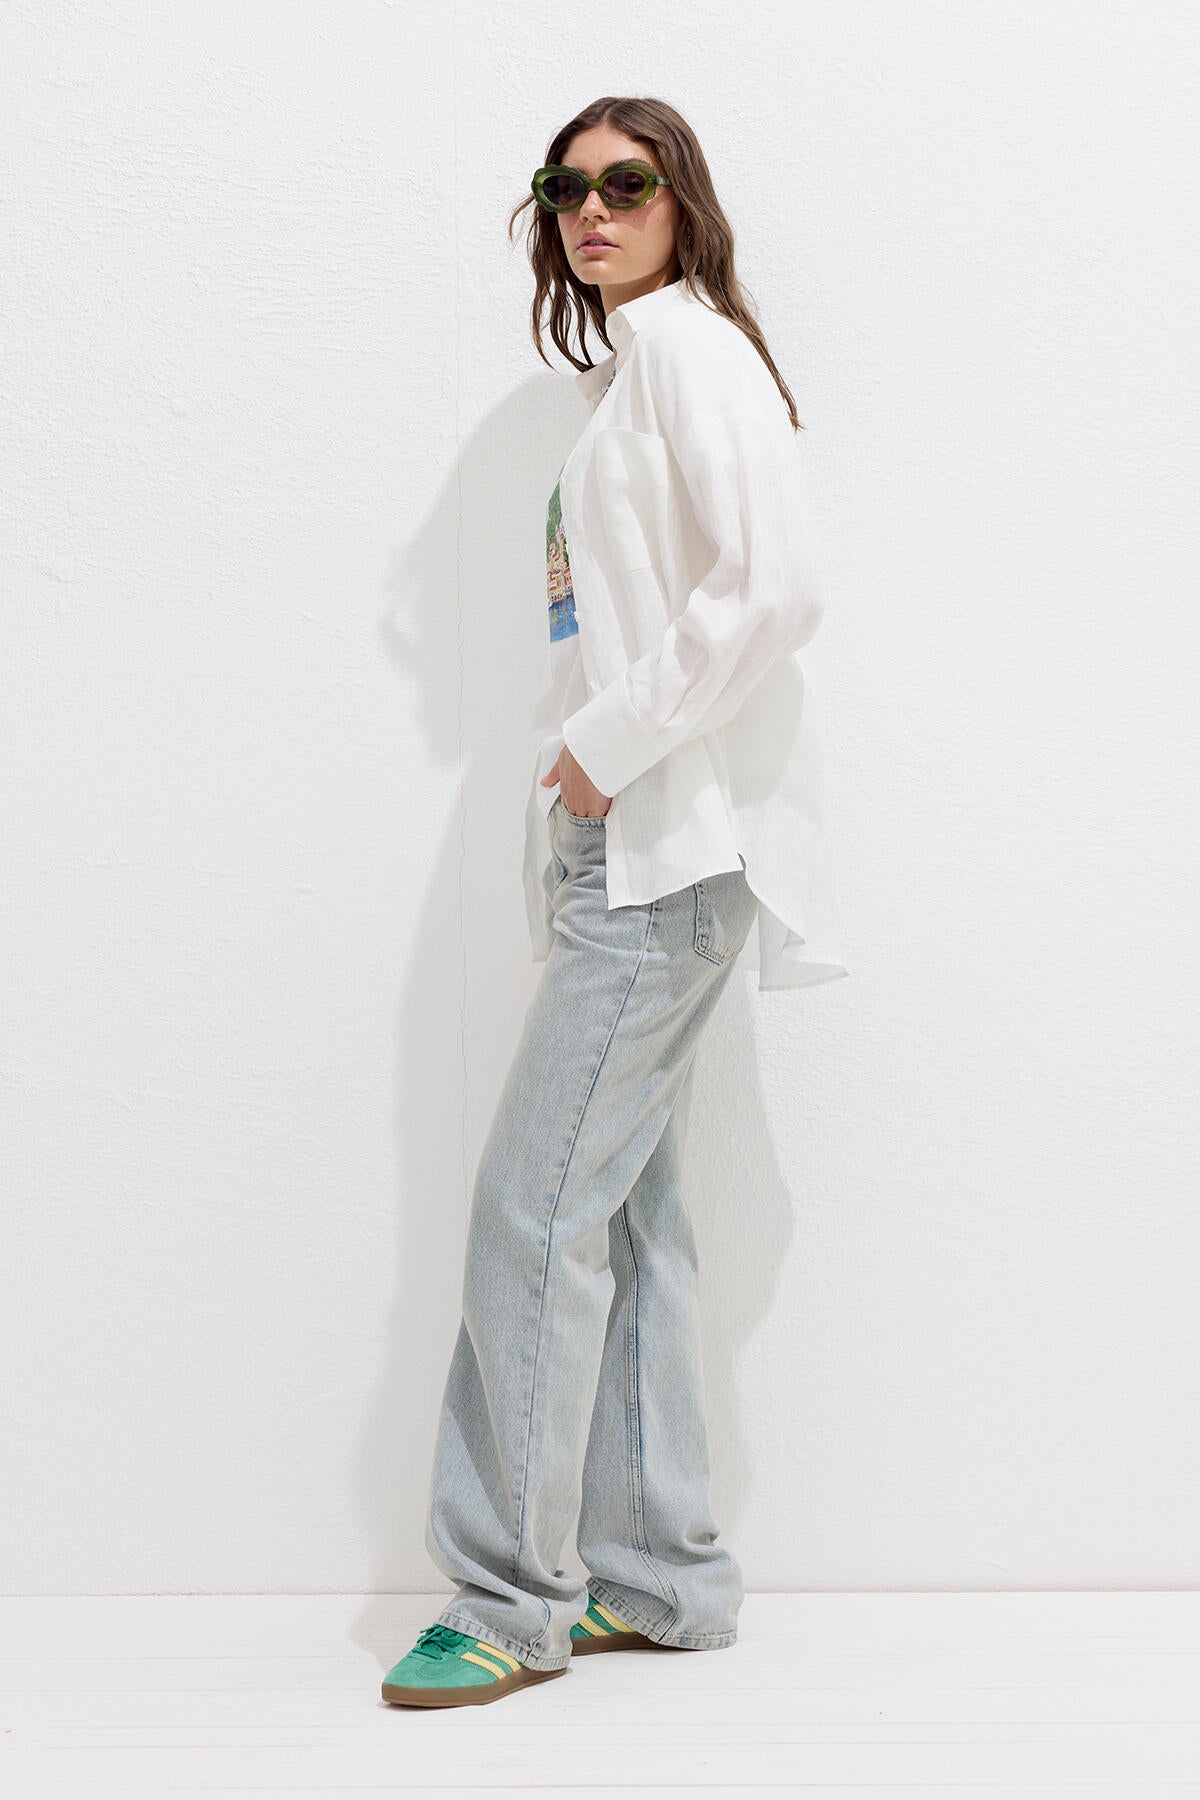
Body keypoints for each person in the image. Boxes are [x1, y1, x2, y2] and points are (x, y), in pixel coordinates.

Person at [382, 96, 847, 1710]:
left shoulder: (691, 354)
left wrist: (606, 747)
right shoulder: (636, 374)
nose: (591, 210)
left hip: (660, 854)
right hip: (638, 852)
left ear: (680, 202)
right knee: (628, 1224)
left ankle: (512, 1600)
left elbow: (777, 590)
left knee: (533, 1213)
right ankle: (659, 1581)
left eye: (625, 184)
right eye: (565, 188)